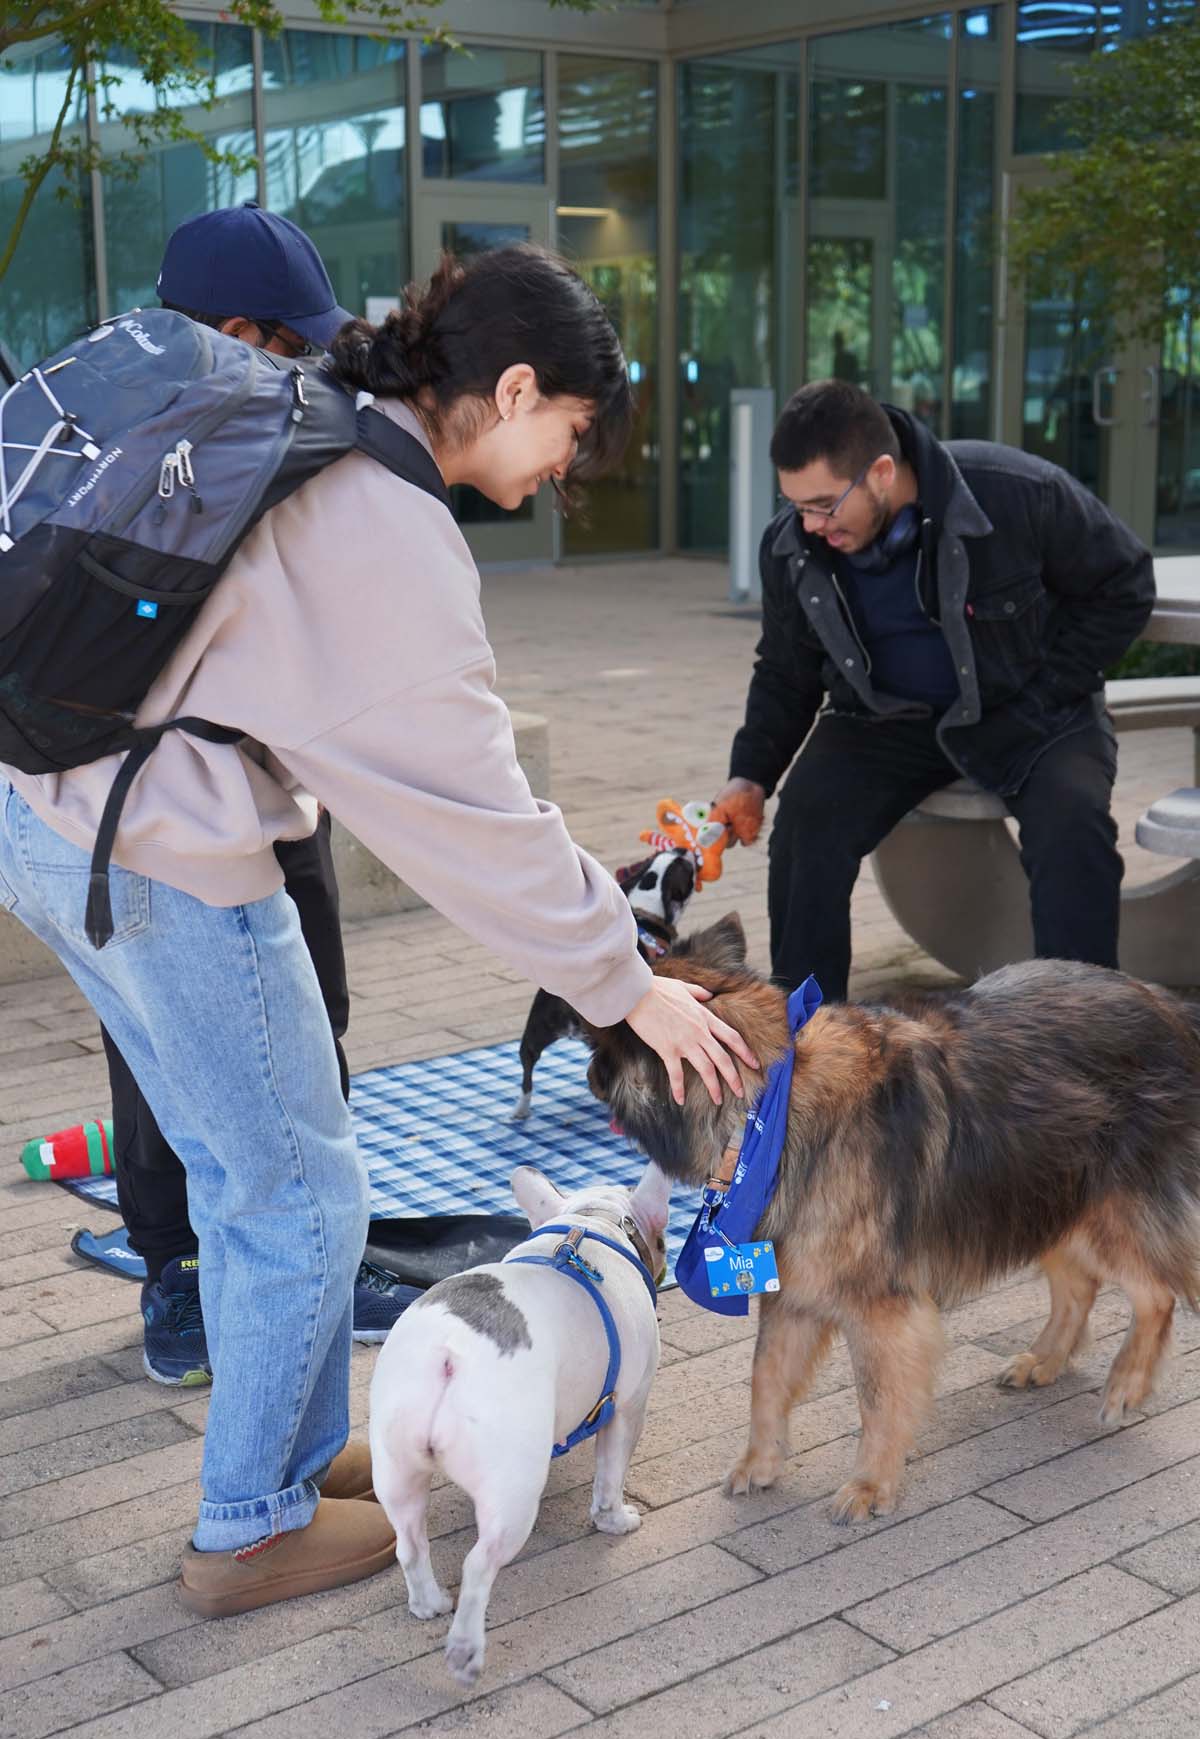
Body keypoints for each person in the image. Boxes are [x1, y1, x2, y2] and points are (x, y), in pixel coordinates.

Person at [0, 241, 756, 1617]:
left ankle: (285, 1464)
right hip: (162, 854)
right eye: (573, 436)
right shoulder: (383, 527)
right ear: (514, 387)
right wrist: (625, 983)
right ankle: (246, 1535)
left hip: (49, 815)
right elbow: (480, 822)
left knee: (247, 1171)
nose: (568, 472)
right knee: (300, 1193)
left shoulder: (321, 422)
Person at [104, 200, 412, 1390]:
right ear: (240, 329)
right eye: (298, 341)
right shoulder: (136, 434)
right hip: (150, 799)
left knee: (308, 1003)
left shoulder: (259, 414)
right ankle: (178, 1273)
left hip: (273, 773)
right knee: (164, 1037)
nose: (314, 362)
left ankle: (312, 1256)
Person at [711, 379, 1155, 1001]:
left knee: (1071, 829)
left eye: (823, 505)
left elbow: (1126, 581)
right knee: (805, 828)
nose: (809, 526)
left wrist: (1052, 688)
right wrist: (750, 776)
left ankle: (1082, 1042)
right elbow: (786, 670)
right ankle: (809, 1047)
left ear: (882, 472)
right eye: (796, 506)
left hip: (1032, 708)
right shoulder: (791, 547)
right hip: (884, 718)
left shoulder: (1017, 491)